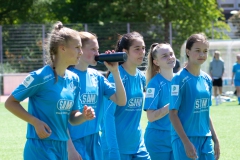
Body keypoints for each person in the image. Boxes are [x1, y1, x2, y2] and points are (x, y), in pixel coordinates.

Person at [4, 21, 95, 160]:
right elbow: (10, 103)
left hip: (62, 148)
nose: (81, 52)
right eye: (77, 47)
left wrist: (83, 116)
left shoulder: (74, 79)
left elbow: (72, 117)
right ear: (62, 48)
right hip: (40, 147)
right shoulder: (40, 77)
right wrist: (35, 122)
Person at [67, 31, 126, 160]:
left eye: (98, 49)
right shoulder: (67, 77)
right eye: (93, 49)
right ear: (79, 50)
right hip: (73, 141)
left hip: (94, 140)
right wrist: (70, 149)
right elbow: (61, 119)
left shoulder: (97, 76)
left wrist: (115, 71)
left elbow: (121, 101)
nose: (97, 54)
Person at [169, 33, 220, 160]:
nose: (202, 55)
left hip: (205, 139)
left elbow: (206, 112)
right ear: (188, 51)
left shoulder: (207, 79)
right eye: (197, 50)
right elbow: (173, 114)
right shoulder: (179, 79)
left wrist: (215, 139)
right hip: (185, 139)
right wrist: (186, 142)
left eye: (205, 51)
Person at [101, 31, 150, 160]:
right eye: (137, 49)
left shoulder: (141, 77)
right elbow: (108, 116)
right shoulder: (115, 77)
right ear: (125, 51)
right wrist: (113, 150)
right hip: (116, 147)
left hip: (137, 145)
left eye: (143, 48)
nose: (142, 52)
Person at [144, 43, 175, 160]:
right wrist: (172, 104)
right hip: (158, 140)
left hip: (177, 137)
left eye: (171, 54)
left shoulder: (181, 80)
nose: (170, 57)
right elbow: (151, 116)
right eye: (164, 56)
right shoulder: (154, 84)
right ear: (156, 62)